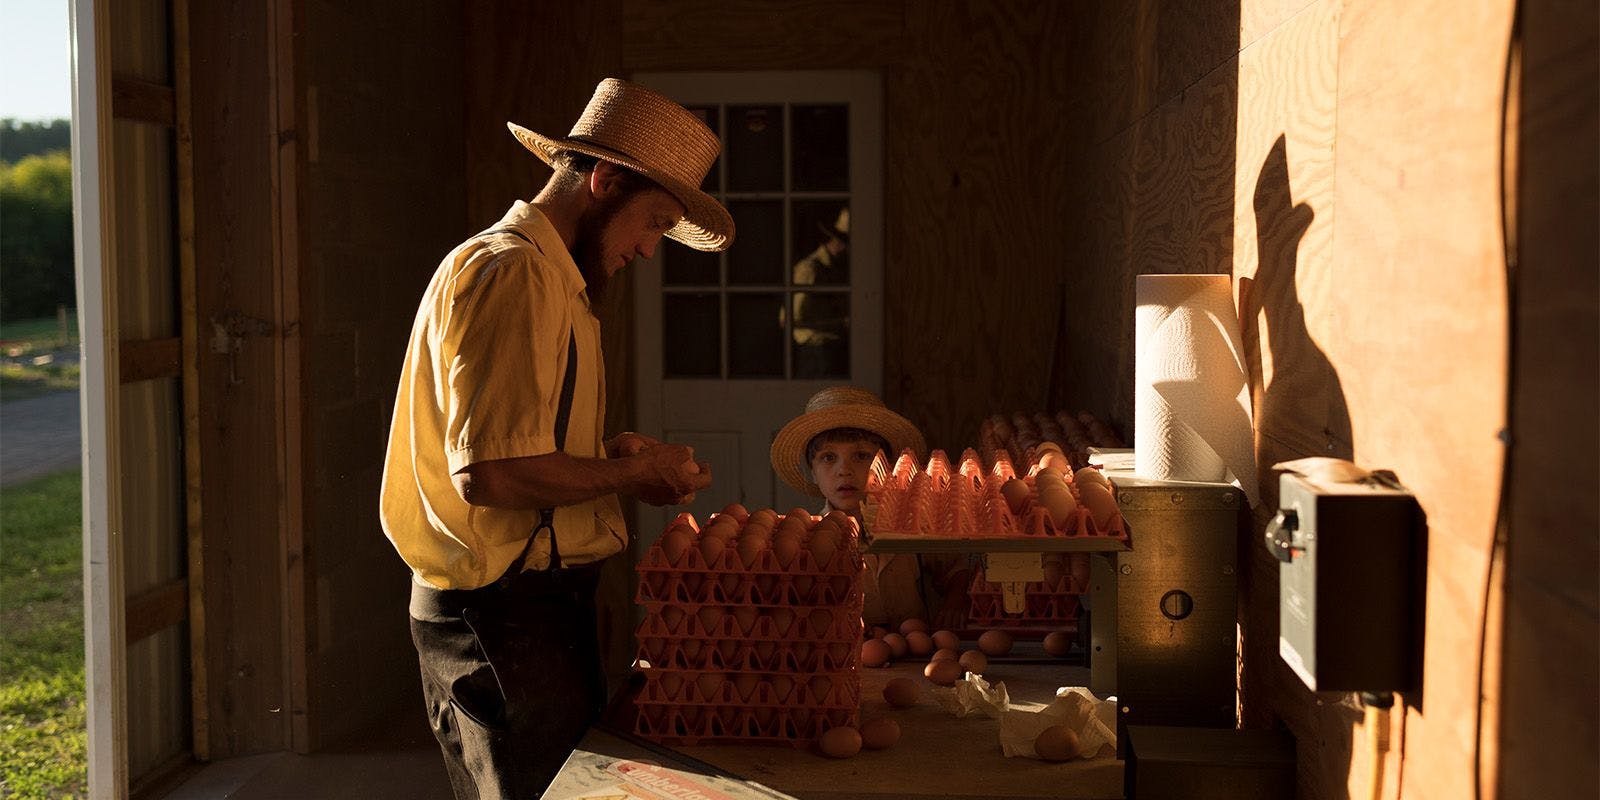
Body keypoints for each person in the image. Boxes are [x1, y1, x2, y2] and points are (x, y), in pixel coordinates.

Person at [379, 78, 729, 799]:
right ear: (603, 180)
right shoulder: (516, 274)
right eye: (654, 223)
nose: (650, 250)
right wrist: (633, 478)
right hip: (499, 612)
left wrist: (609, 458)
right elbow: (493, 475)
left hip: (531, 609)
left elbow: (516, 445)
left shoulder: (553, 279)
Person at [768, 386, 972, 630]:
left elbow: (957, 570)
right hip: (850, 659)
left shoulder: (914, 524)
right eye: (828, 457)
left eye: (862, 456)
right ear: (812, 472)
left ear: (886, 468)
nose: (844, 470)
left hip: (917, 655)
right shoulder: (808, 539)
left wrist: (954, 603)